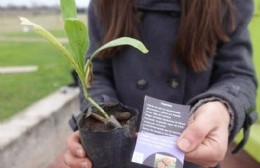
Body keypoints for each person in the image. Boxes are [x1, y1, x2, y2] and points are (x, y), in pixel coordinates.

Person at [63, 0, 258, 168]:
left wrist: (222, 107)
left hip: (191, 155)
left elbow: (238, 74)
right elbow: (95, 72)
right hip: (120, 153)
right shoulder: (105, 3)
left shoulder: (228, 4)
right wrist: (97, 124)